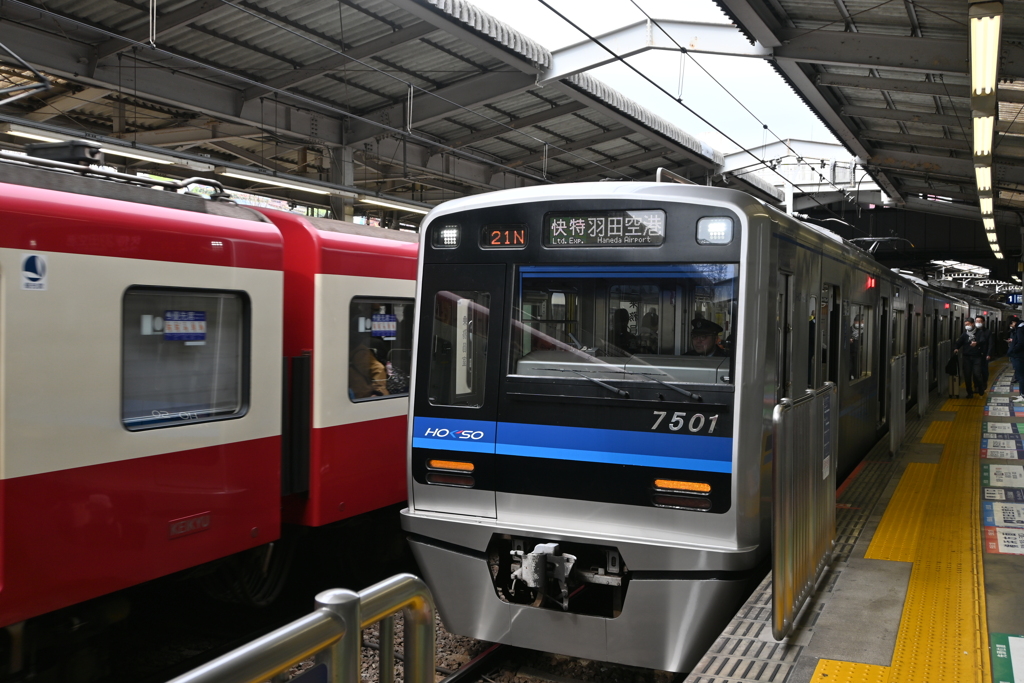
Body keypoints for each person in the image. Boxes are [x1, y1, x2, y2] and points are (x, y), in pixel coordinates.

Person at [954, 319, 991, 399]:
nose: (967, 326)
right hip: (967, 357)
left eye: (968, 324)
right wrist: (956, 348)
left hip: (977, 357)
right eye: (965, 324)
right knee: (967, 376)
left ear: (972, 324)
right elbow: (959, 342)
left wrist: (977, 343)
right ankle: (969, 393)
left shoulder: (979, 333)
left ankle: (981, 387)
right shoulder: (965, 334)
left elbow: (983, 341)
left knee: (977, 374)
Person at [350, 334, 389, 399]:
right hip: (358, 394)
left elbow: (378, 369)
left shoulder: (359, 353)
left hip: (364, 395)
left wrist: (377, 392)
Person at [975, 315, 994, 389]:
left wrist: (989, 354)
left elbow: (991, 343)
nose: (978, 323)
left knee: (984, 370)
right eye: (977, 321)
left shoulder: (988, 332)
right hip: (975, 354)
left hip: (984, 354)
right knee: (975, 371)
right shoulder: (973, 331)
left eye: (980, 321)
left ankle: (984, 382)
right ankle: (976, 386)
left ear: (983, 322)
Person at [1011, 318, 1024, 405]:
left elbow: (1021, 342)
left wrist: (1013, 350)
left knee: (1021, 376)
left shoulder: (1020, 329)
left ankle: (1022, 395)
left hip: (1019, 356)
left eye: (1011, 324)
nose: (1011, 326)